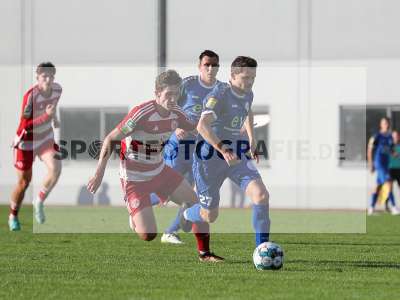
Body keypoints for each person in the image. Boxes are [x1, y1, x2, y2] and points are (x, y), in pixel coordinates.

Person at [87, 70, 223, 262]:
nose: (173, 99)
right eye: (169, 94)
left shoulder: (177, 113)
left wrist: (221, 135)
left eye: (177, 94)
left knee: (197, 204)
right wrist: (99, 173)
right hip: (134, 178)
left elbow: (199, 129)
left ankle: (205, 254)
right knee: (148, 234)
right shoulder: (141, 113)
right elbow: (111, 139)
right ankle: (134, 215)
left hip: (160, 171)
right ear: (157, 93)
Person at [181, 56, 271, 249]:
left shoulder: (248, 93)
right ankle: (187, 214)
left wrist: (252, 140)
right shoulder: (220, 94)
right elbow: (202, 126)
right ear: (232, 75)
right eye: (245, 77)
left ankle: (262, 250)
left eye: (253, 78)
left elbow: (247, 111)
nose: (249, 82)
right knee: (210, 215)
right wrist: (222, 148)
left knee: (261, 195)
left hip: (236, 155)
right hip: (208, 159)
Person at [159, 50, 220, 244]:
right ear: (199, 66)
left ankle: (170, 232)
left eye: (214, 65)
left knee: (191, 195)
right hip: (178, 146)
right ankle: (137, 201)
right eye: (206, 65)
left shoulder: (221, 90)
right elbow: (166, 104)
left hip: (198, 150)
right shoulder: (188, 84)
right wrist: (175, 126)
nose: (210, 69)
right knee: (165, 189)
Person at [8, 62, 62, 231]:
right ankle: (13, 215)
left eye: (50, 76)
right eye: (44, 76)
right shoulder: (30, 97)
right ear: (37, 78)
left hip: (45, 138)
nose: (47, 79)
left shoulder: (58, 89)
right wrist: (46, 116)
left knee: (55, 168)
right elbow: (25, 125)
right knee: (24, 183)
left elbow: (52, 107)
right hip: (26, 141)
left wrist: (54, 118)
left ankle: (38, 201)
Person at [367, 117, 399, 215]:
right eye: (384, 123)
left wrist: (396, 154)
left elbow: (392, 151)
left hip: (386, 164)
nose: (386, 125)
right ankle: (394, 207)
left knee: (378, 186)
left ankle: (371, 207)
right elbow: (369, 149)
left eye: (387, 123)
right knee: (388, 183)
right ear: (381, 125)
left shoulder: (390, 137)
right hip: (379, 163)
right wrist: (371, 164)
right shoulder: (377, 136)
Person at [389, 130, 400, 214]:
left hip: (399, 169)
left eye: (396, 136)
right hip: (390, 170)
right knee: (389, 188)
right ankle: (392, 206)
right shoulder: (388, 147)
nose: (395, 138)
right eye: (393, 136)